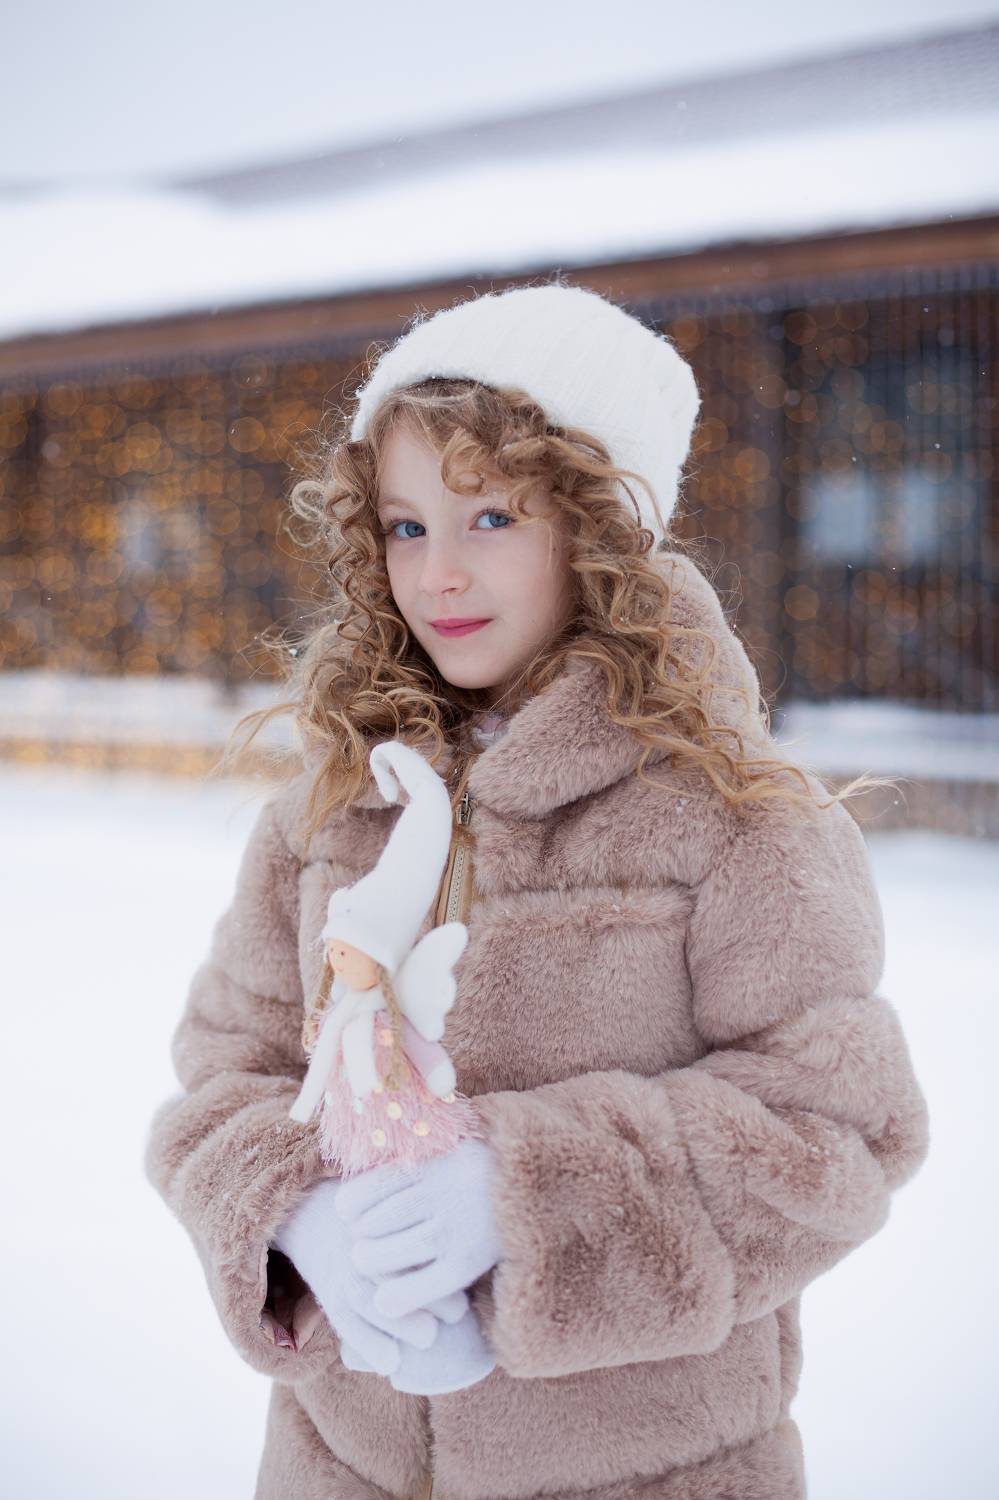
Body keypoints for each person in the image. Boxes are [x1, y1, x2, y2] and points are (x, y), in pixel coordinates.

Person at [145, 279, 930, 1500]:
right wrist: (293, 1221)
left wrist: (525, 1198)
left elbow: (841, 1129)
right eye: (407, 526)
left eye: (491, 516)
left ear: (599, 525)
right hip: (336, 1469)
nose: (439, 574)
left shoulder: (733, 812)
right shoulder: (335, 800)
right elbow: (220, 1075)